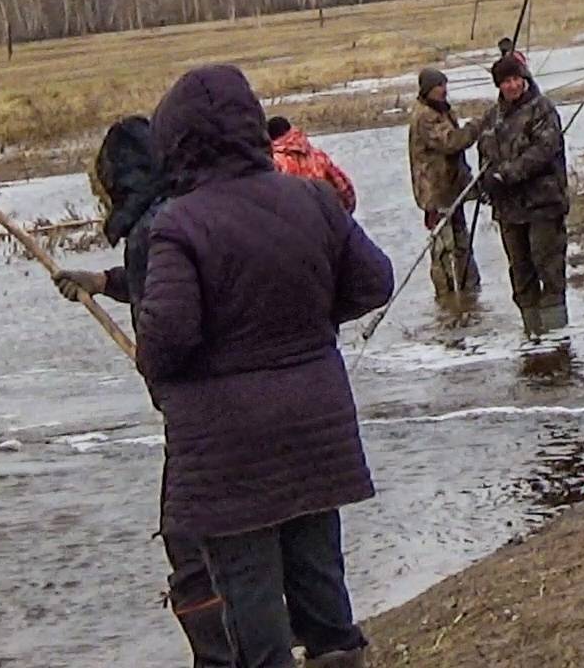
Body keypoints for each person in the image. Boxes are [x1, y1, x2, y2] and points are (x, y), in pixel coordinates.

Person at [137, 65, 394, 668]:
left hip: (229, 448)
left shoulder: (180, 221)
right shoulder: (311, 197)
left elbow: (167, 336)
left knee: (249, 594)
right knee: (319, 578)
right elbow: (373, 282)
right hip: (316, 426)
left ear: (179, 140)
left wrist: (164, 363)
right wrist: (312, 323)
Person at [54, 118, 234, 667]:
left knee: (188, 543)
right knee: (229, 540)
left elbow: (173, 316)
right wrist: (105, 283)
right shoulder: (184, 210)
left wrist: (153, 359)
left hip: (197, 415)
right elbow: (167, 283)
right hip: (219, 406)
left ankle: (219, 659)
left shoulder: (155, 226)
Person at [478, 56, 569, 337]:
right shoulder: (492, 118)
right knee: (520, 273)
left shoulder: (542, 109)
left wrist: (506, 175)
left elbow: (543, 151)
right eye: (506, 81)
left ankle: (557, 339)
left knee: (548, 268)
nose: (513, 85)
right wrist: (485, 183)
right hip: (509, 210)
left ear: (525, 78)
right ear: (499, 86)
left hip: (543, 204)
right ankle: (533, 335)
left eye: (516, 79)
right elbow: (484, 155)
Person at [408, 67, 482, 297]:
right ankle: (449, 296)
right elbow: (451, 142)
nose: (443, 90)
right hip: (435, 194)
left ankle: (468, 292)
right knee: (445, 249)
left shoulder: (441, 111)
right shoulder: (425, 117)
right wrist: (478, 126)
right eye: (439, 86)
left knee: (461, 243)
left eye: (444, 85)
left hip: (451, 190)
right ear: (427, 90)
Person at [267, 116, 357, 212]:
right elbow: (344, 188)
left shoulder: (275, 163)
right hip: (326, 216)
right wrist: (343, 215)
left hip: (298, 220)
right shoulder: (318, 156)